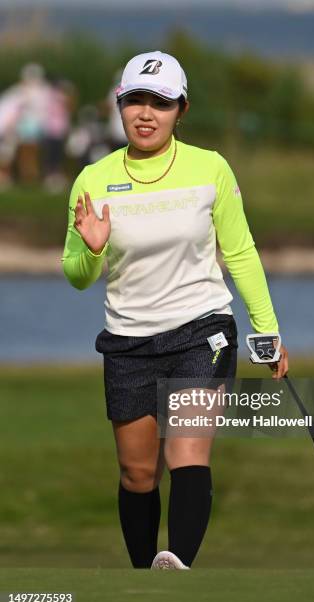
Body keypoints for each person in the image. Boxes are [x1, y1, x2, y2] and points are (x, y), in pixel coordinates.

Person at [61, 51, 289, 571]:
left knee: (186, 454)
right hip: (128, 341)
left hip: (202, 331)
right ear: (119, 106)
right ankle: (144, 579)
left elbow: (240, 252)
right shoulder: (92, 180)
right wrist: (92, 248)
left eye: (160, 103)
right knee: (137, 474)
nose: (146, 113)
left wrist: (267, 329)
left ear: (181, 109)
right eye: (134, 100)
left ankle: (177, 567)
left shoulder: (210, 168)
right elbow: (75, 275)